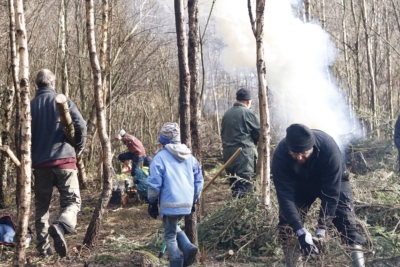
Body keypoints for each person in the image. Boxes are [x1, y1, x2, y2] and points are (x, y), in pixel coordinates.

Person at [271, 123, 366, 267]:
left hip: (333, 182)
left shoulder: (329, 149)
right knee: (287, 226)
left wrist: (321, 230)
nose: (299, 157)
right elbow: (285, 197)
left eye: (303, 153)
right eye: (294, 153)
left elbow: (331, 194)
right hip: (299, 184)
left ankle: (358, 264)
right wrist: (300, 231)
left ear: (312, 147)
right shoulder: (280, 156)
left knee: (347, 224)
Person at [31, 69, 87, 258]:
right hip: (64, 161)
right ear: (53, 83)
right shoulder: (63, 101)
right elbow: (81, 125)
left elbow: (20, 137)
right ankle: (61, 226)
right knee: (72, 202)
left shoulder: (29, 106)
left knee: (41, 207)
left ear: (36, 85)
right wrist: (78, 146)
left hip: (40, 165)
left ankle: (44, 250)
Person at [147, 122, 204, 267]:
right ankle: (188, 247)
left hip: (169, 202)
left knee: (170, 235)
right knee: (173, 226)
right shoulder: (190, 157)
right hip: (186, 203)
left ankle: (176, 263)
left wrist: (152, 202)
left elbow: (154, 184)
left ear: (163, 139)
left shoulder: (160, 158)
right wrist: (193, 200)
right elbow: (199, 182)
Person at [221, 88, 260, 198]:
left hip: (229, 157)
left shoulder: (227, 114)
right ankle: (241, 214)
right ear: (248, 101)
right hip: (244, 158)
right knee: (245, 189)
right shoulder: (249, 113)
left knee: (234, 187)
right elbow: (261, 135)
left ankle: (233, 213)